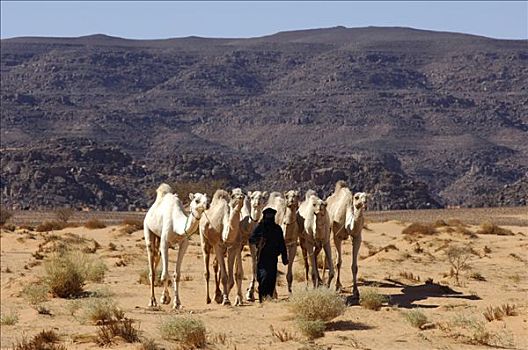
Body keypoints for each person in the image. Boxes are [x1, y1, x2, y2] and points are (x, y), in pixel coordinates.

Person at [249, 207, 288, 302]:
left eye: (271, 215)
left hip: (273, 257)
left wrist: (284, 257)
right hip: (262, 257)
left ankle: (268, 298)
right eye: (268, 215)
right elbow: (251, 239)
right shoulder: (260, 227)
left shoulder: (277, 229)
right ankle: (262, 298)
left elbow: (282, 244)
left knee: (271, 278)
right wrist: (260, 240)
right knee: (263, 277)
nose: (270, 217)